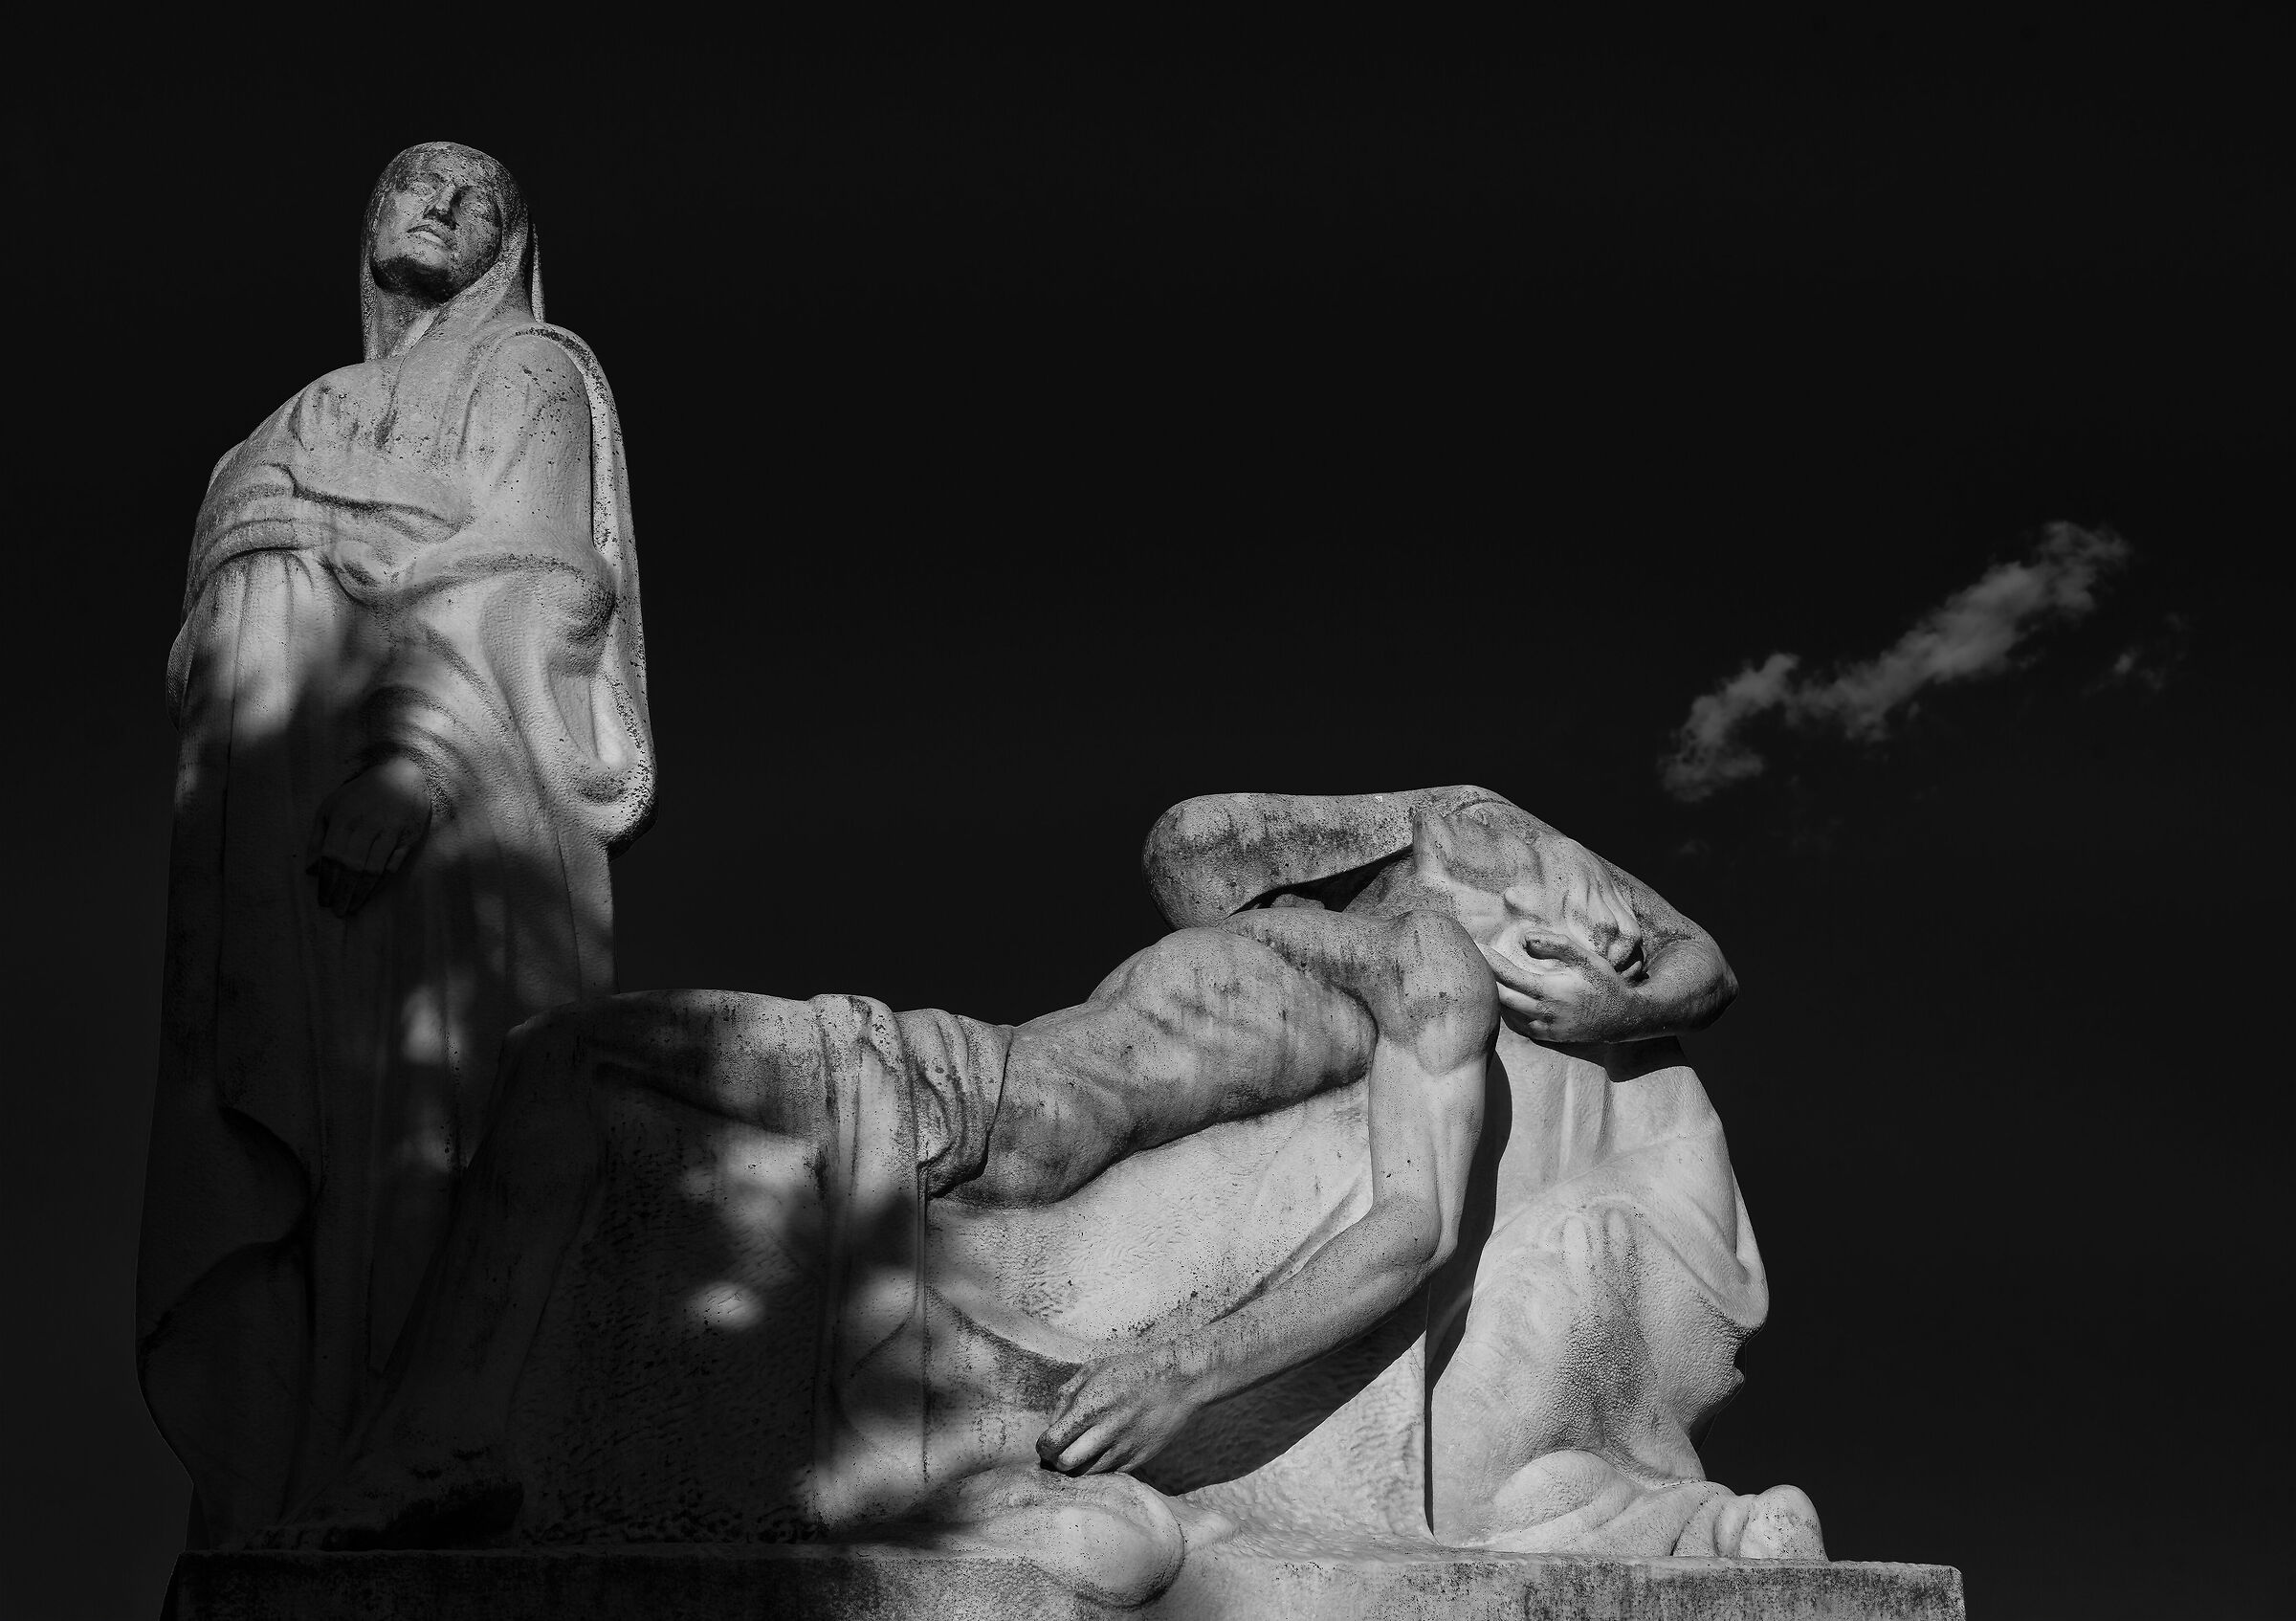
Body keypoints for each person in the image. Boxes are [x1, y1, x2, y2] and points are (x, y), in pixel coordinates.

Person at [138, 142, 655, 1545]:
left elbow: (539, 573)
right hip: (266, 839)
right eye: (412, 185)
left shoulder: (530, 370)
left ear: (507, 248)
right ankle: (286, 1482)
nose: (439, 206)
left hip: (428, 813)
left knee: (425, 1130)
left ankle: (420, 1459)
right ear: (364, 221)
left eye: (476, 198)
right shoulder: (289, 421)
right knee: (290, 1158)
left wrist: (419, 763)